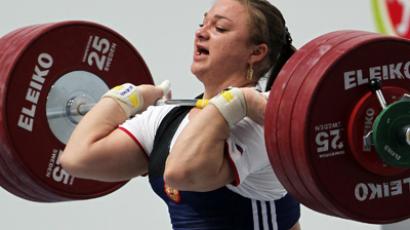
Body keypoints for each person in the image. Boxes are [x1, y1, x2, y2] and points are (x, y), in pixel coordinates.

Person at [60, 0, 301, 229]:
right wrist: (128, 97)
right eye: (202, 23)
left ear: (256, 52)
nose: (201, 33)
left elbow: (182, 173)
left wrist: (241, 99)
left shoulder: (265, 118)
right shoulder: (168, 119)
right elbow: (78, 158)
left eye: (220, 28)